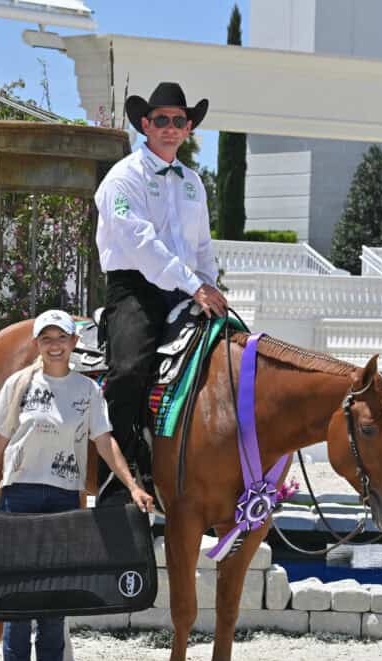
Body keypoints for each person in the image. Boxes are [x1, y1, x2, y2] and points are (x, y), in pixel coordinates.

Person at [0, 309, 155, 661]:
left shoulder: (88, 391)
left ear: (73, 343)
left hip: (67, 498)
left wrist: (134, 485)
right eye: (47, 337)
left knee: (55, 603)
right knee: (17, 604)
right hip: (20, 495)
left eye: (62, 337)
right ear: (38, 343)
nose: (55, 344)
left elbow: (106, 443)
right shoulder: (19, 385)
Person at [93, 82, 228, 502]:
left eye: (179, 121)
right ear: (145, 125)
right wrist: (194, 285)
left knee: (234, 361)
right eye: (162, 120)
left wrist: (209, 286)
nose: (170, 127)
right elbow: (141, 244)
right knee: (129, 370)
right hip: (136, 287)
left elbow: (203, 246)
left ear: (188, 129)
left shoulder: (193, 183)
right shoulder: (123, 177)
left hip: (189, 289)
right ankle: (119, 476)